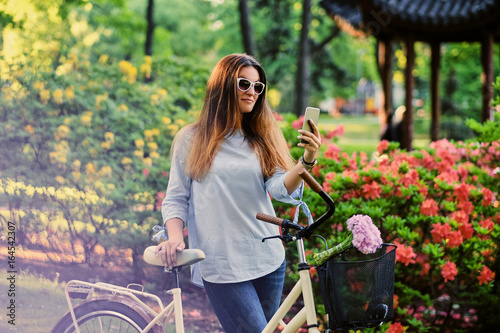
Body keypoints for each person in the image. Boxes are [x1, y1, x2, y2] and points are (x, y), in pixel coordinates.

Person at [155, 53, 321, 333]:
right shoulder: (191, 139)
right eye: (244, 84)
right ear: (223, 85)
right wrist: (174, 238)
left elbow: (280, 188)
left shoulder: (261, 136)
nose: (252, 92)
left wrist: (307, 159)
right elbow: (176, 198)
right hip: (221, 263)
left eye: (258, 87)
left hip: (268, 260)